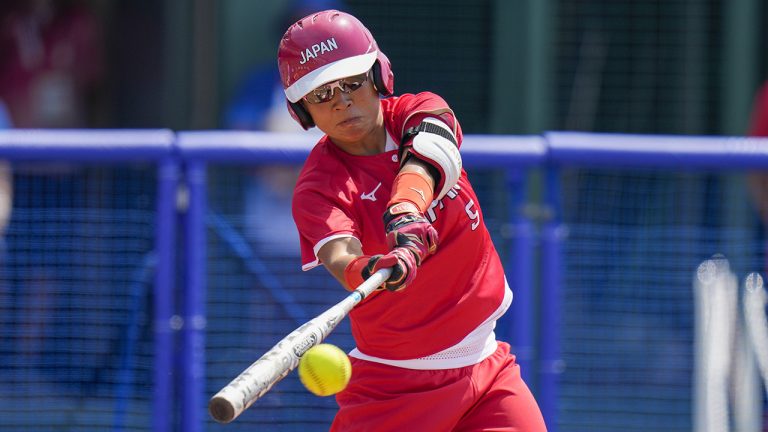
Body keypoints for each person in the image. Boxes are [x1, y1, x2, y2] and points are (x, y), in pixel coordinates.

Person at [278, 10, 546, 431]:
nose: (342, 101)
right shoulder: (318, 186)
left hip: (487, 367)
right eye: (321, 94)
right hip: (395, 389)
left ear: (378, 76)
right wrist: (368, 268)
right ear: (302, 110)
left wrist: (406, 210)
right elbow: (337, 252)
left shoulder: (419, 110)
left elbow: (430, 153)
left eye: (352, 83)